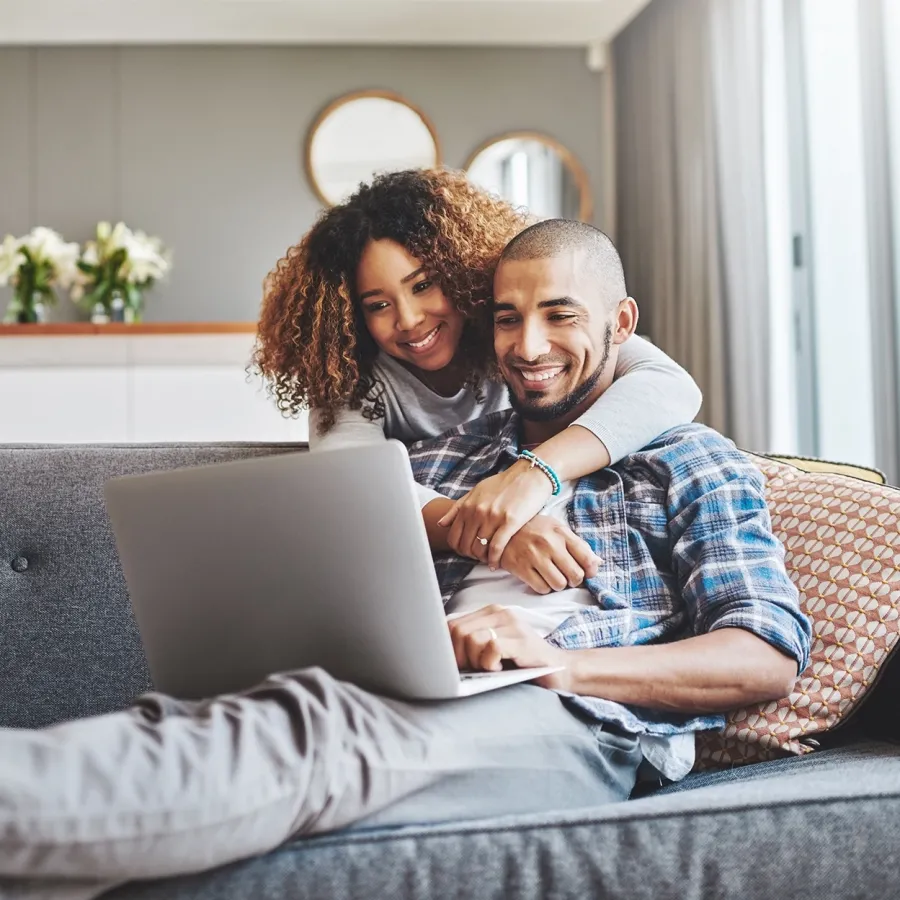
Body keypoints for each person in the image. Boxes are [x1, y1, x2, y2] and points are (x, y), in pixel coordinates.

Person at [2, 219, 810, 900]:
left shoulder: (689, 459)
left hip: (580, 723)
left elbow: (765, 656)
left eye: (559, 315)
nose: (529, 345)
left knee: (312, 732)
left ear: (621, 323)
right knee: (205, 724)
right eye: (507, 319)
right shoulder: (444, 461)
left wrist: (559, 666)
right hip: (407, 690)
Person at [253, 168, 703, 589]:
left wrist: (535, 473)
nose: (408, 319)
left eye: (423, 285)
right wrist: (494, 533)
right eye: (378, 305)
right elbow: (349, 482)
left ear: (461, 272)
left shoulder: (517, 331)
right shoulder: (349, 377)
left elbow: (671, 385)